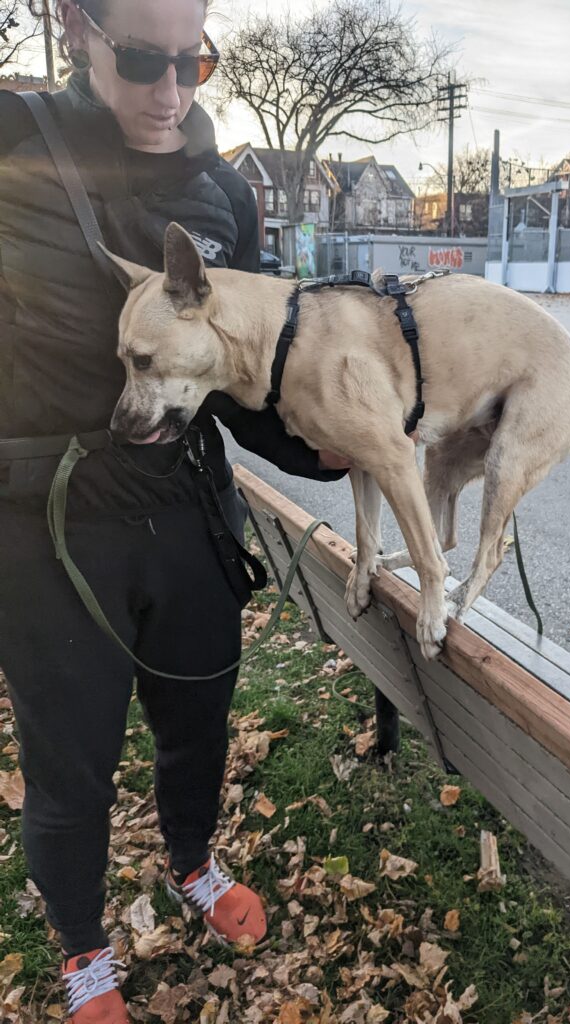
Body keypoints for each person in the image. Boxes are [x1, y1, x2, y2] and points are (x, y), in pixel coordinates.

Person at [0, 1, 350, 1020]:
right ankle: (82, 948)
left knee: (196, 724)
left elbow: (248, 378)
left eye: (192, 60)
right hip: (45, 532)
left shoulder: (226, 192)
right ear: (75, 29)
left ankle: (192, 862)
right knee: (71, 760)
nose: (170, 90)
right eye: (144, 59)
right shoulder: (13, 143)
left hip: (189, 517)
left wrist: (325, 449)